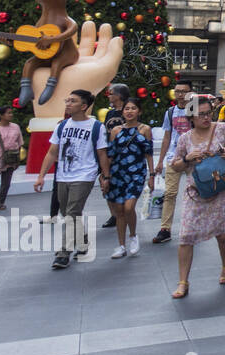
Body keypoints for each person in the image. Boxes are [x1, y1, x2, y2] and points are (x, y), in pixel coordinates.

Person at [168, 96, 225, 299]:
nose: (206, 117)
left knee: (222, 233)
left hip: (221, 189)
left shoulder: (221, 128)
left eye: (208, 113)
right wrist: (186, 159)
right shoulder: (185, 139)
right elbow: (175, 165)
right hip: (196, 192)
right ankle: (183, 281)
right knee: (185, 236)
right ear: (191, 117)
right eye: (201, 114)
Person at [34, 90, 110, 270]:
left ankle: (63, 252)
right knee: (67, 212)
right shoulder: (62, 126)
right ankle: (82, 241)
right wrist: (41, 176)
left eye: (72, 101)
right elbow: (52, 152)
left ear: (83, 106)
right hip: (63, 175)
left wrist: (106, 176)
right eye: (67, 100)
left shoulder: (96, 127)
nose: (67, 103)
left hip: (84, 175)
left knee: (73, 210)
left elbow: (102, 153)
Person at [103, 99, 153, 259]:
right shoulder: (116, 131)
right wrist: (105, 176)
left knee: (129, 207)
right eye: (127, 109)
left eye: (133, 108)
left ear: (139, 111)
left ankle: (133, 236)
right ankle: (121, 245)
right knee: (119, 210)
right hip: (118, 172)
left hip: (136, 173)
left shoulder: (145, 129)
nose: (129, 111)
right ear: (122, 111)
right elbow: (110, 155)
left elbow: (149, 154)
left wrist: (152, 174)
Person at [151, 80, 193, 244]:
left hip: (192, 157)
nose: (181, 95)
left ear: (190, 93)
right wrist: (160, 160)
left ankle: (191, 226)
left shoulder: (195, 110)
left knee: (193, 193)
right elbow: (167, 136)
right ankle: (165, 228)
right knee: (169, 194)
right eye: (178, 91)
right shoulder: (170, 112)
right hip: (173, 157)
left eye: (184, 91)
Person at [99, 84, 130, 229]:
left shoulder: (129, 111)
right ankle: (114, 215)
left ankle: (124, 213)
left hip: (125, 154)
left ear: (119, 96)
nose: (109, 96)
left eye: (111, 93)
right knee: (105, 181)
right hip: (110, 153)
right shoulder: (110, 114)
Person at [0, 107, 24, 210]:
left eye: (11, 113)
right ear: (1, 115)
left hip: (11, 159)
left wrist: (17, 159)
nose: (11, 115)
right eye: (8, 113)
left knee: (6, 184)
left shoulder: (16, 127)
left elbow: (19, 143)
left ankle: (0, 203)